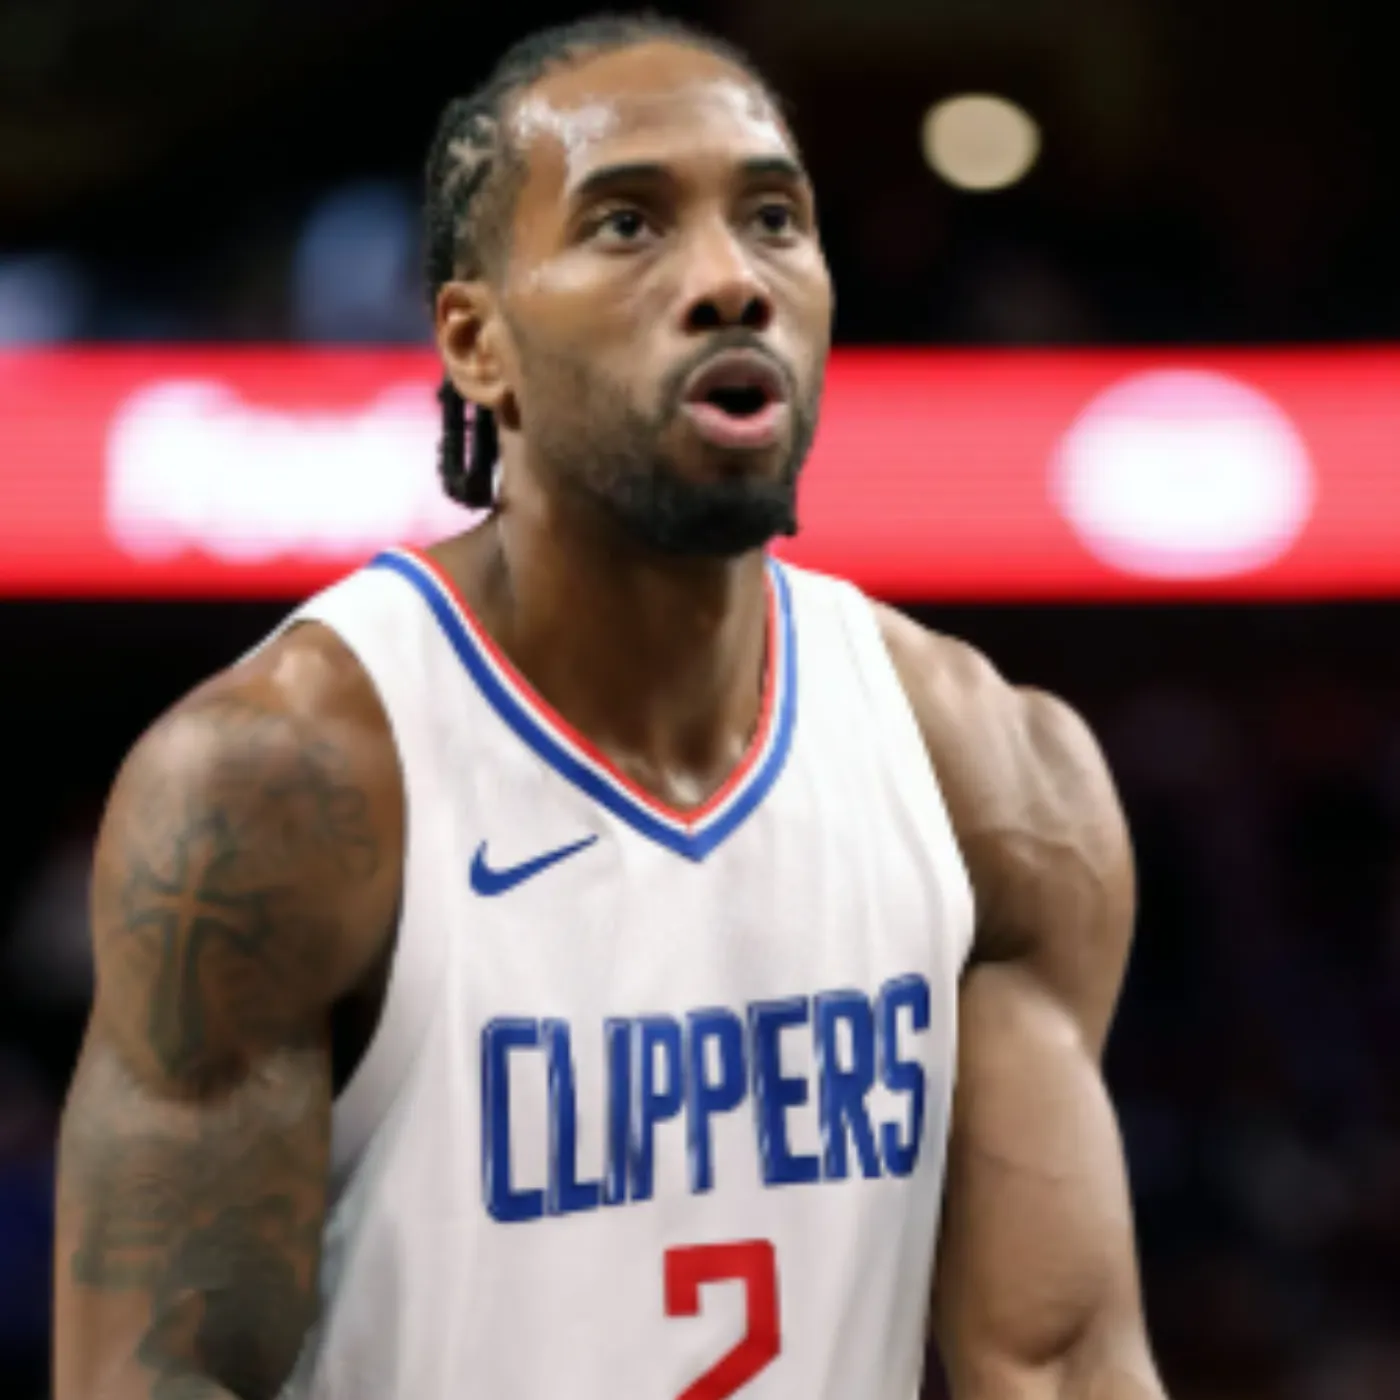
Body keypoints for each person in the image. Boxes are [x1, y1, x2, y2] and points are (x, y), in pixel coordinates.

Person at [53, 15, 1167, 1400]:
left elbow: (1062, 1367)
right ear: (477, 343)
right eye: (628, 224)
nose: (731, 279)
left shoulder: (996, 778)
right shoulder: (279, 786)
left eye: (774, 218)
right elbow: (163, 1373)